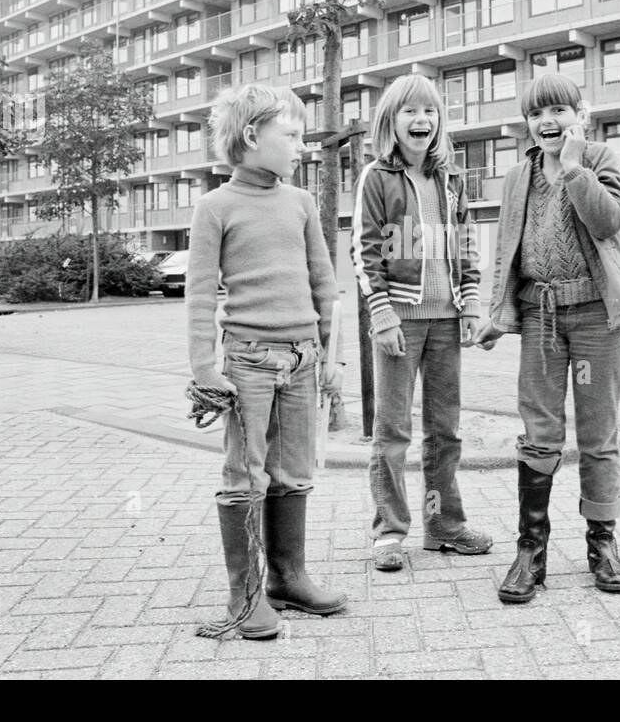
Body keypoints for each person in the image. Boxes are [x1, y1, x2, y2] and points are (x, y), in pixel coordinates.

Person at [475, 73, 620, 603]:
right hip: (540, 318)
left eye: (558, 110)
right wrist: (495, 313)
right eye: (536, 114)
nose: (546, 122)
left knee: (599, 433)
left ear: (581, 113)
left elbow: (607, 223)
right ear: (527, 123)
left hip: (596, 316)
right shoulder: (517, 175)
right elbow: (506, 250)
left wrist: (575, 168)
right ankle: (531, 548)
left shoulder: (599, 159)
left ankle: (603, 543)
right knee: (539, 432)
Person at [187, 83, 346, 639]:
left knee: (294, 470)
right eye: (294, 134)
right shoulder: (215, 207)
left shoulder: (302, 203)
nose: (303, 146)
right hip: (247, 362)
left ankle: (287, 576)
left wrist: (333, 356)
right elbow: (202, 294)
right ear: (253, 135)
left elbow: (325, 284)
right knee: (245, 474)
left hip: (303, 358)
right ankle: (246, 594)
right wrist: (204, 367)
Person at [351, 74, 493, 571]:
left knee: (444, 430)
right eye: (410, 111)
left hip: (446, 321)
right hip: (400, 324)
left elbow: (468, 244)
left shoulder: (451, 179)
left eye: (429, 111)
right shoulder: (377, 177)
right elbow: (365, 252)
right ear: (391, 121)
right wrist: (383, 313)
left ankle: (443, 526)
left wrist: (471, 305)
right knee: (391, 432)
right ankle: (389, 532)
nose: (422, 120)